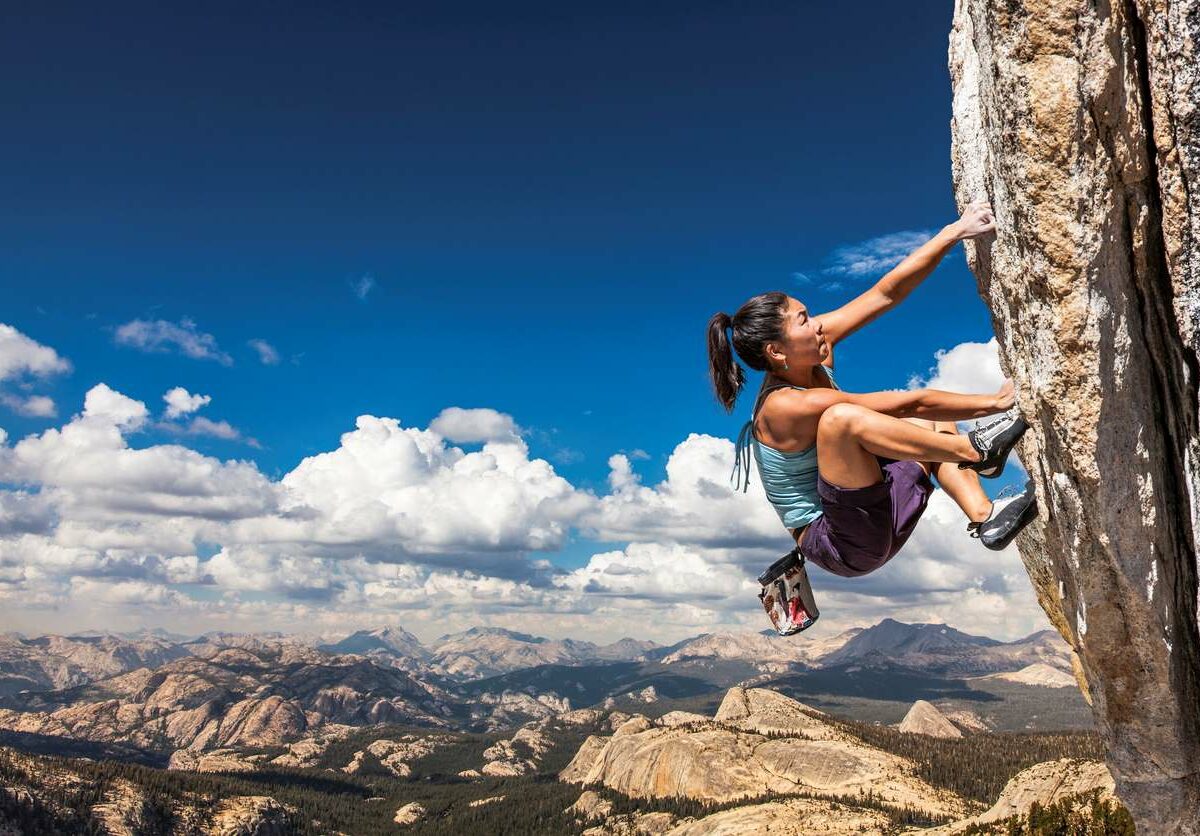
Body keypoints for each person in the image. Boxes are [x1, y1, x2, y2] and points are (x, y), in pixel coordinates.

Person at [706, 202, 1037, 584]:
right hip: (841, 542)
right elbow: (904, 403)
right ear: (777, 351)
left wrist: (953, 232)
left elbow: (885, 294)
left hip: (875, 505)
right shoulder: (783, 407)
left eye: (809, 314)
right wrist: (995, 403)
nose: (816, 325)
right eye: (803, 321)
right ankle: (976, 452)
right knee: (842, 420)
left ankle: (986, 516)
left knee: (926, 420)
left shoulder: (813, 349)